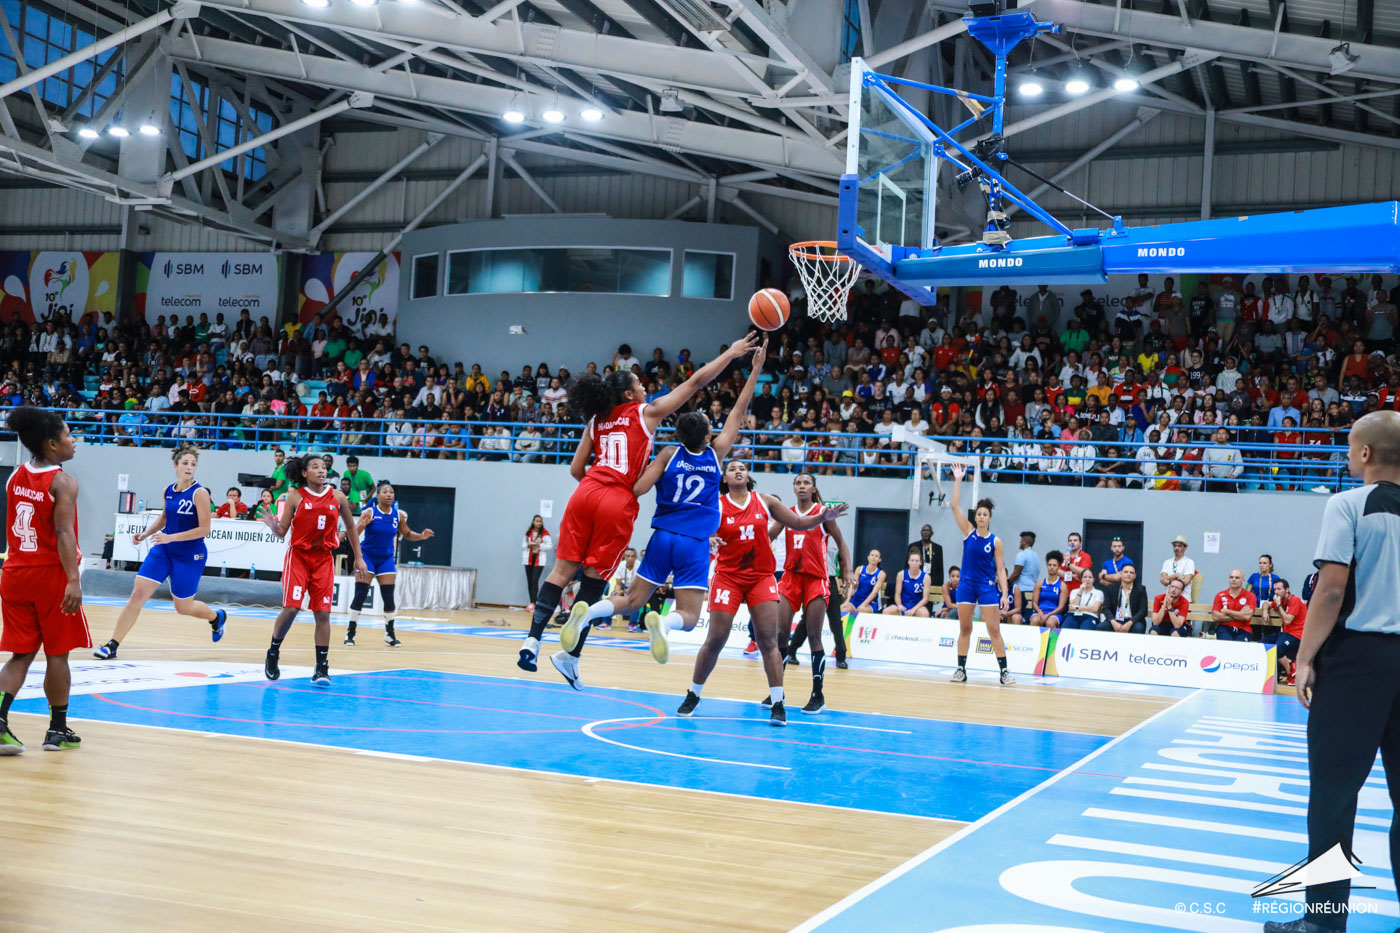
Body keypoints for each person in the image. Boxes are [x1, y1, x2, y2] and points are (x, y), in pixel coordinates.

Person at [516, 333, 760, 685]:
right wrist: (734, 354)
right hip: (622, 501)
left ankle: (532, 641)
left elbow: (574, 469)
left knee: (560, 572)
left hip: (586, 491)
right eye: (639, 385)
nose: (645, 388)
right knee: (594, 580)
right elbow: (695, 382)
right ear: (629, 394)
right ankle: (572, 649)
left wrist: (597, 484)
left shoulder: (596, 420)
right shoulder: (646, 414)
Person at [1266, 411, 1400, 933]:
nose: (1348, 455)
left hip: (1354, 667)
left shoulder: (1348, 504)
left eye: (1349, 447)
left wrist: (1302, 658)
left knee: (1333, 797)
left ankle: (1324, 923)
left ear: (1365, 453)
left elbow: (1331, 589)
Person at [673, 460, 845, 726]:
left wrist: (822, 517)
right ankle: (693, 694)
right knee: (716, 638)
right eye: (732, 469)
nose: (738, 470)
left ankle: (778, 702)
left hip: (761, 578)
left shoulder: (764, 501)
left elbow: (798, 523)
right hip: (728, 577)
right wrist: (706, 539)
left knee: (769, 640)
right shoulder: (715, 505)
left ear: (748, 475)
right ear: (725, 478)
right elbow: (692, 531)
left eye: (742, 467)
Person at [0, 408, 85, 754]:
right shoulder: (62, 482)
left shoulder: (15, 476)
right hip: (50, 575)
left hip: (14, 572)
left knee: (21, 653)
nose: (73, 440)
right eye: (67, 435)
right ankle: (57, 730)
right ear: (51, 444)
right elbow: (64, 533)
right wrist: (74, 579)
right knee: (57, 655)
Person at [93, 445, 228, 660]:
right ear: (175, 466)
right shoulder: (168, 490)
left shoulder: (200, 493)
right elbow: (164, 519)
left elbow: (205, 529)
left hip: (190, 555)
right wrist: (145, 534)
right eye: (185, 463)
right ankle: (112, 645)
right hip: (164, 550)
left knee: (183, 607)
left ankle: (216, 618)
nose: (189, 467)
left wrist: (171, 537)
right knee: (137, 595)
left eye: (193, 464)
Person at [259, 455, 369, 686]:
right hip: (299, 557)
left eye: (323, 467)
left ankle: (321, 668)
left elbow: (350, 527)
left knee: (323, 614)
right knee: (291, 609)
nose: (321, 470)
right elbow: (282, 532)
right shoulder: (295, 498)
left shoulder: (338, 497)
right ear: (304, 473)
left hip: (323, 560)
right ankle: (273, 652)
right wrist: (272, 525)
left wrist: (358, 557)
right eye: (315, 467)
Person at [769, 473, 853, 714]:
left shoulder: (824, 513)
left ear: (814, 488)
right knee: (780, 635)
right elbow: (768, 537)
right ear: (794, 488)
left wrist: (847, 570)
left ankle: (818, 695)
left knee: (814, 636)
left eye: (806, 483)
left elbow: (841, 542)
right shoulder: (787, 513)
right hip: (791, 578)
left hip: (816, 579)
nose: (802, 486)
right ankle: (777, 692)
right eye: (798, 483)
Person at [948, 464, 1015, 685]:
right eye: (979, 514)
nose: (982, 517)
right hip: (966, 585)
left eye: (985, 514)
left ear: (990, 518)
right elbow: (954, 505)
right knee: (965, 627)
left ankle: (1004, 672)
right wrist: (958, 480)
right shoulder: (968, 532)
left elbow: (1001, 570)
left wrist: (1004, 593)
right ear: (975, 517)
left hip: (987, 587)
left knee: (994, 629)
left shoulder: (996, 541)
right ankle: (961, 669)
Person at [345, 482, 433, 647]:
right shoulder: (370, 511)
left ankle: (390, 634)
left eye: (391, 492)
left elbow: (407, 533)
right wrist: (362, 525)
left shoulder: (398, 515)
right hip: (367, 557)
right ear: (378, 496)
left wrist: (421, 536)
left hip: (386, 559)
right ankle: (351, 632)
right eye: (385, 492)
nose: (389, 494)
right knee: (360, 595)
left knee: (389, 597)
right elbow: (353, 534)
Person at [1264, 577, 1306, 684]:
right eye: (1275, 590)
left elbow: (1287, 620)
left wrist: (1278, 605)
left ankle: (1290, 672)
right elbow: (1267, 604)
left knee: (1277, 648)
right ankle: (1289, 664)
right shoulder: (1281, 600)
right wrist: (1265, 611)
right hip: (1286, 633)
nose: (1276, 592)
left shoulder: (1294, 600)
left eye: (1279, 589)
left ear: (1287, 589)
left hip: (1298, 634)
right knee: (1262, 644)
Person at [1097, 564, 1149, 633]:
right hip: (1115, 620)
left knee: (1138, 628)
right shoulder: (1111, 588)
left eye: (1131, 573)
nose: (1128, 574)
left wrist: (1130, 623)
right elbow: (1106, 608)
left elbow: (1143, 610)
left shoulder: (1140, 589)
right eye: (1126, 572)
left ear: (1135, 576)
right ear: (1121, 574)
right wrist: (1113, 622)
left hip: (1133, 621)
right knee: (1100, 627)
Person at [1211, 568, 1258, 642]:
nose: (1233, 579)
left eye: (1237, 577)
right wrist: (1240, 614)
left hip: (1244, 629)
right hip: (1224, 628)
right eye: (1231, 577)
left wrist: (1227, 611)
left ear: (1243, 581)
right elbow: (1216, 617)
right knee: (1227, 646)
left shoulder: (1250, 596)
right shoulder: (1220, 595)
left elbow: (1246, 616)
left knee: (1239, 648)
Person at [1007, 531, 1041, 625]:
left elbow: (1016, 573)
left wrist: (1007, 582)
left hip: (1022, 592)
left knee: (1019, 618)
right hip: (1033, 591)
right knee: (1028, 618)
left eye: (1020, 541)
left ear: (1024, 542)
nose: (1020, 543)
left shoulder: (1021, 555)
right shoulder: (1037, 556)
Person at [883, 552, 930, 617]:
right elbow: (897, 594)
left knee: (925, 614)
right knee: (886, 611)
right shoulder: (901, 574)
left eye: (917, 561)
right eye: (912, 560)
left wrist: (914, 609)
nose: (914, 563)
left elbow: (925, 598)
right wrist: (899, 605)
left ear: (920, 563)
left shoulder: (926, 577)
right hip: (903, 604)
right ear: (908, 562)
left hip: (917, 605)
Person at [1027, 550, 1065, 629]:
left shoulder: (1062, 585)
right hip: (1040, 611)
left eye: (1054, 565)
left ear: (1058, 567)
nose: (1052, 567)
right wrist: (1040, 612)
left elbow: (1061, 607)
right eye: (1049, 565)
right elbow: (1034, 603)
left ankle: (1053, 641)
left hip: (1055, 613)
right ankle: (1034, 641)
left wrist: (1048, 615)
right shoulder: (1040, 583)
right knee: (1035, 621)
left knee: (1050, 623)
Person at [522, 514, 551, 611]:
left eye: (540, 521)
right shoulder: (528, 533)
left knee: (534, 580)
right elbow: (523, 545)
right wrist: (528, 545)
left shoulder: (545, 533)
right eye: (537, 521)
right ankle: (531, 602)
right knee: (530, 581)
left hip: (539, 560)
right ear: (533, 522)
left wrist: (540, 546)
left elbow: (549, 546)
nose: (538, 523)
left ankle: (535, 602)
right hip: (529, 559)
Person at [842, 549, 885, 615]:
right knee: (843, 609)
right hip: (856, 600)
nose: (873, 557)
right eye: (872, 555)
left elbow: (875, 592)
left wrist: (864, 604)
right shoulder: (860, 569)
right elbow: (853, 585)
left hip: (870, 602)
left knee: (862, 610)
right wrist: (847, 601)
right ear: (868, 557)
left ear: (879, 560)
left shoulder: (881, 574)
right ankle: (848, 625)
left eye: (876, 556)